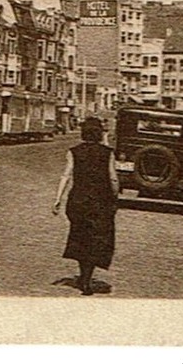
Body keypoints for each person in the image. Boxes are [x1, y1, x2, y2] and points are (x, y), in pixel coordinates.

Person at [52, 115, 119, 295]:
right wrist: (115, 196)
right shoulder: (108, 153)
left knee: (81, 237)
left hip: (78, 201)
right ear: (99, 133)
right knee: (97, 238)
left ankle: (84, 277)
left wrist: (58, 198)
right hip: (101, 201)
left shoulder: (74, 151)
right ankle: (87, 278)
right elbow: (113, 177)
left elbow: (66, 175)